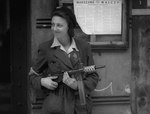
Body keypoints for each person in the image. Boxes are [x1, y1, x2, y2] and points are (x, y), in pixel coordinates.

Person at [29, 6, 99, 114]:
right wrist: (42, 81)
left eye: (59, 25)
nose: (54, 28)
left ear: (69, 26)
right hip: (56, 106)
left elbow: (93, 77)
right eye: (52, 24)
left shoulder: (84, 47)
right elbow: (32, 76)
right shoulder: (46, 48)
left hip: (79, 106)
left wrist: (76, 85)